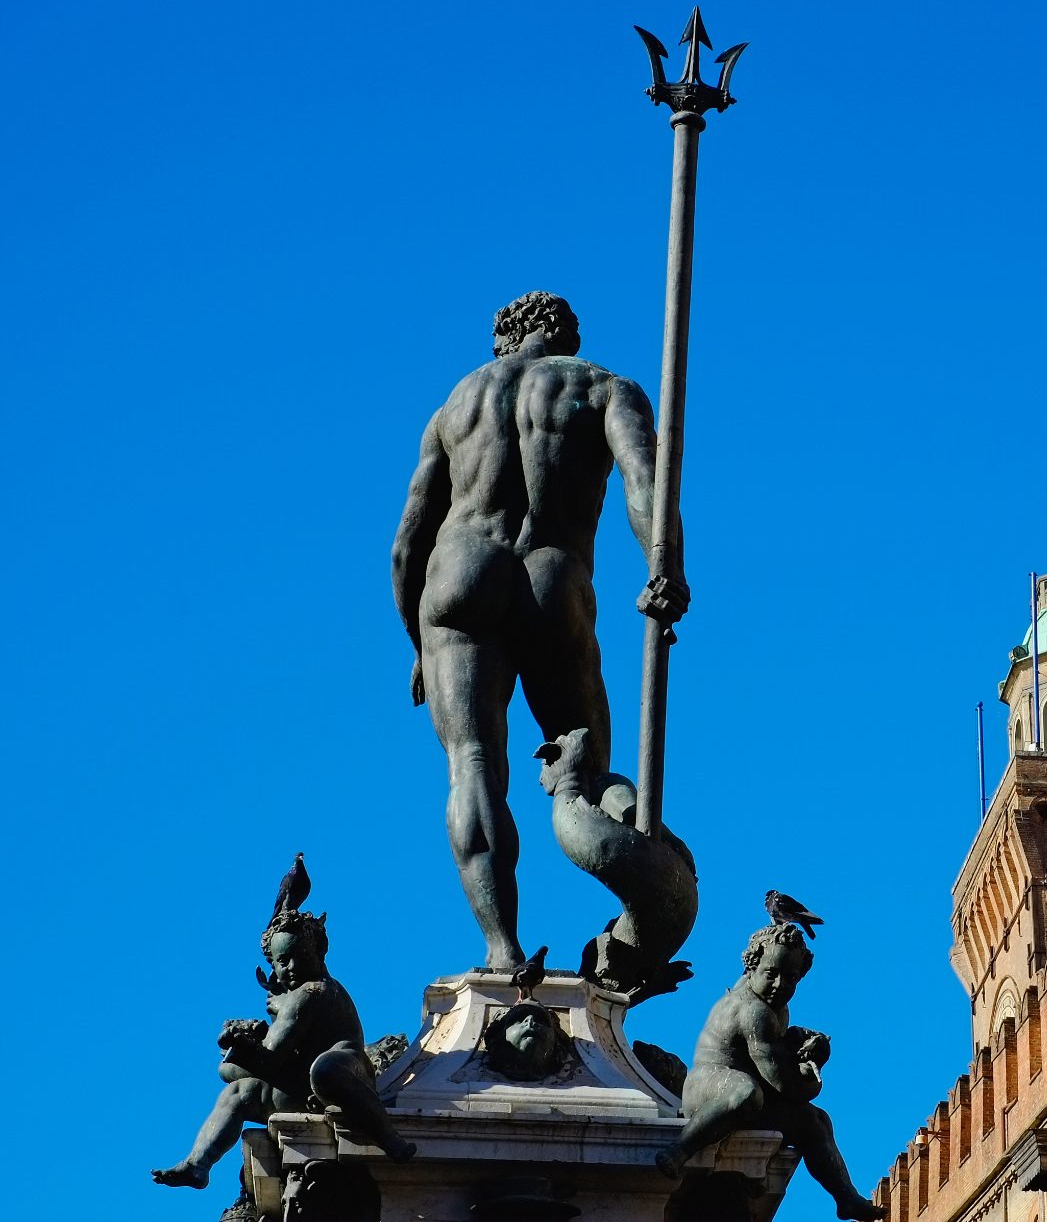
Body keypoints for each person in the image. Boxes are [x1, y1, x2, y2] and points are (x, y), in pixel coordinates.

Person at [391, 292, 686, 971]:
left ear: (503, 340)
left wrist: (416, 638)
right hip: (554, 577)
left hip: (458, 574)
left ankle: (503, 950)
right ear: (565, 336)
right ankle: (643, 853)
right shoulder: (604, 387)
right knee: (593, 764)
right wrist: (666, 567)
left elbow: (408, 540)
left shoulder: (455, 407)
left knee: (472, 767)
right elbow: (648, 486)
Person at [152, 909, 415, 1189]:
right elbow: (267, 1057)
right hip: (307, 1088)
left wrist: (240, 1046)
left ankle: (388, 1138)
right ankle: (197, 1164)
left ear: (319, 951)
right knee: (239, 1092)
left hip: (346, 1077)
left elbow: (270, 1058)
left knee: (324, 1069)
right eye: (281, 961)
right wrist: (238, 1050)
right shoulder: (292, 998)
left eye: (296, 955)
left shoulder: (314, 992)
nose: (289, 966)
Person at [659, 925, 885, 1221]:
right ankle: (680, 1149)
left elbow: (775, 1059)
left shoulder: (775, 1006)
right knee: (745, 1093)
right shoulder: (754, 1011)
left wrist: (800, 1047)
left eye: (790, 977)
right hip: (708, 1087)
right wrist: (814, 1072)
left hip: (748, 1090)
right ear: (752, 967)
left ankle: (846, 1197)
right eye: (771, 974)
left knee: (816, 1121)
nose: (780, 984)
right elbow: (783, 1084)